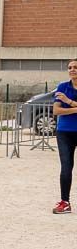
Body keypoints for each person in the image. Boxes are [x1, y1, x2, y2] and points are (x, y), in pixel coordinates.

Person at [51, 59, 77, 214]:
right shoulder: (62, 87)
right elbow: (56, 111)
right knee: (66, 167)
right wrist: (75, 109)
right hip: (64, 132)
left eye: (75, 67)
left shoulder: (65, 94)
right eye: (70, 67)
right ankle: (65, 202)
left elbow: (63, 106)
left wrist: (68, 101)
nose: (72, 70)